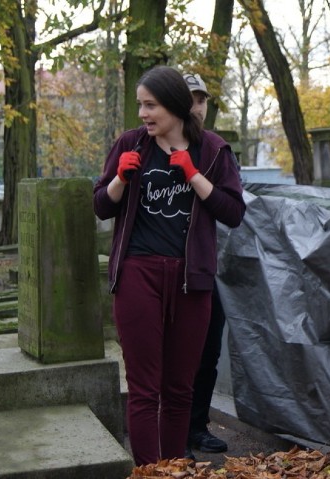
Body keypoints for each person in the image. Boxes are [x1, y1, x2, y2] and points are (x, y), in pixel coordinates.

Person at [93, 65, 246, 466]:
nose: (143, 114)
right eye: (141, 105)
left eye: (151, 106)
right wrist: (120, 180)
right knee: (144, 388)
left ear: (175, 106)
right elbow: (101, 205)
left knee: (180, 388)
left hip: (191, 279)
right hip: (138, 274)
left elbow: (232, 212)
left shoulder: (213, 150)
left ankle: (175, 469)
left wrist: (194, 175)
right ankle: (149, 473)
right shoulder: (131, 144)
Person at [182, 72, 229, 455]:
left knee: (208, 351)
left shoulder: (216, 150)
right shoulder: (149, 143)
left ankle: (196, 427)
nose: (196, 106)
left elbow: (233, 209)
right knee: (172, 358)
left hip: (203, 267)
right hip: (159, 268)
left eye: (202, 99)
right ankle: (172, 432)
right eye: (189, 98)